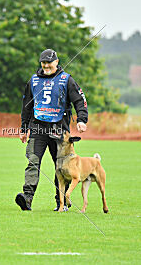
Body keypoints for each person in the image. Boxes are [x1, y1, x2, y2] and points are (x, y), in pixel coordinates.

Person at [15, 48, 88, 211]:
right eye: (44, 62)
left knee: (61, 166)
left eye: (49, 62)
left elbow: (80, 101)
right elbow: (27, 106)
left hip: (60, 131)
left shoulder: (66, 80)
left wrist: (82, 119)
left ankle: (60, 202)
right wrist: (24, 128)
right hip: (37, 128)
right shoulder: (33, 81)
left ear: (56, 62)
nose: (46, 65)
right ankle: (27, 198)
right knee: (33, 161)